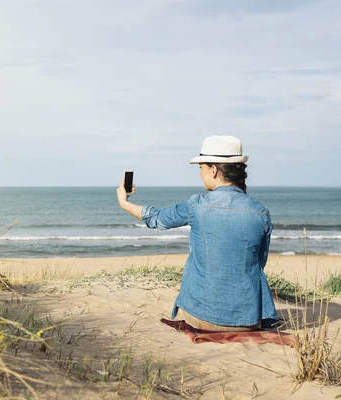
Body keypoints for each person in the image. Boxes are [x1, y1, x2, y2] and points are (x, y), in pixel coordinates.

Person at [116, 135, 278, 331]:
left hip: (203, 318)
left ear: (214, 169)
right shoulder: (261, 213)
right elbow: (260, 262)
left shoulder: (197, 205)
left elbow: (156, 218)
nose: (200, 174)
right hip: (248, 321)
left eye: (201, 168)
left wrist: (124, 203)